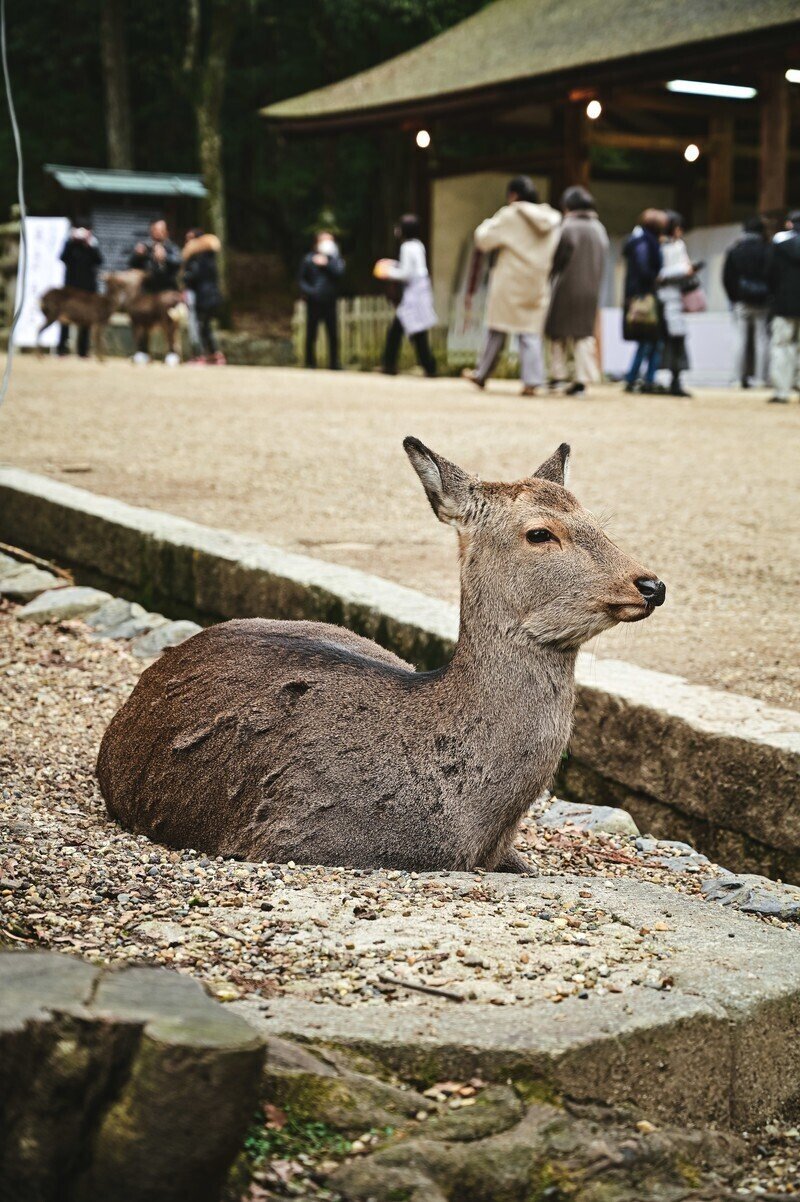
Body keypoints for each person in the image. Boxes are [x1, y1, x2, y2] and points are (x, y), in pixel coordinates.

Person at [464, 176, 561, 396]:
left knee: (496, 328)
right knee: (530, 332)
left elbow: (483, 239)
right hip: (537, 281)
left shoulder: (510, 215)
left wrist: (488, 222)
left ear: (513, 195)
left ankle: (482, 373)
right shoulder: (551, 218)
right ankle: (532, 381)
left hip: (509, 281)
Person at [544, 186, 609, 396]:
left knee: (557, 332)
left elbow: (556, 259)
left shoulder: (567, 227)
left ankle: (558, 375)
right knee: (583, 334)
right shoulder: (599, 228)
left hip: (565, 286)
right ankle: (582, 379)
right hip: (591, 288)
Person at [381, 215, 437, 377]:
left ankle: (389, 364)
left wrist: (388, 272)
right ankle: (429, 366)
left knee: (398, 330)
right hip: (421, 289)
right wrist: (395, 265)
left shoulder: (406, 247)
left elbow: (406, 273)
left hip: (413, 293)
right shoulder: (419, 245)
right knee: (417, 331)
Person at [722, 216, 771, 388]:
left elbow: (727, 278)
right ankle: (760, 379)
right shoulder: (768, 250)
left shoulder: (735, 250)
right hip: (763, 300)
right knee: (762, 339)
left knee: (739, 338)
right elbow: (773, 275)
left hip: (741, 300)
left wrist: (734, 297)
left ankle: (737, 378)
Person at [621, 209, 666, 393]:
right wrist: (655, 278)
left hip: (640, 294)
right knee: (648, 339)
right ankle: (637, 378)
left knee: (650, 340)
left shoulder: (639, 241)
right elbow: (644, 269)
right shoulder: (645, 243)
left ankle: (643, 378)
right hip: (644, 295)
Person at [128, 218, 182, 364]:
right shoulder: (145, 246)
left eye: (160, 230)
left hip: (168, 291)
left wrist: (165, 257)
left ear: (166, 232)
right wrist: (138, 255)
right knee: (140, 315)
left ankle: (172, 352)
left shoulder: (171, 248)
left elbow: (178, 263)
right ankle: (142, 351)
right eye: (155, 230)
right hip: (148, 291)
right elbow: (132, 263)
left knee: (169, 318)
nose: (158, 233)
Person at [656, 211, 694, 398]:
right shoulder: (659, 245)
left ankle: (675, 379)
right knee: (658, 342)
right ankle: (652, 378)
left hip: (674, 299)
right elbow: (659, 273)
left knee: (677, 340)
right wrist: (681, 270)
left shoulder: (679, 245)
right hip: (661, 299)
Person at [766, 210, 800, 404]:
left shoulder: (780, 247)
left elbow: (770, 275)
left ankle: (782, 391)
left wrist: (774, 295)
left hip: (783, 303)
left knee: (781, 346)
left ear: (790, 224)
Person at [299, 230, 344, 369]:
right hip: (314, 301)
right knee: (311, 332)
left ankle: (334, 363)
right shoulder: (308, 259)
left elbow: (339, 274)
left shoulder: (335, 259)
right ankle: (310, 362)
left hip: (330, 301)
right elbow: (301, 280)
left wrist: (327, 264)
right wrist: (310, 292)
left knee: (333, 333)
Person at [57, 220, 103, 358]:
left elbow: (99, 261)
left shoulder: (92, 244)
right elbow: (63, 257)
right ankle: (62, 347)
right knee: (65, 316)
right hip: (71, 288)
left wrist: (89, 244)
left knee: (86, 319)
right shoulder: (70, 244)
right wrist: (71, 241)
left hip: (87, 289)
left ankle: (83, 350)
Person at [182, 228, 225, 365]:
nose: (188, 242)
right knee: (206, 327)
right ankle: (214, 354)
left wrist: (184, 277)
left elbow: (193, 276)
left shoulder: (199, 258)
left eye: (191, 238)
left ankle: (200, 355)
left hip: (203, 297)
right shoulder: (210, 257)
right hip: (212, 296)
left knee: (199, 326)